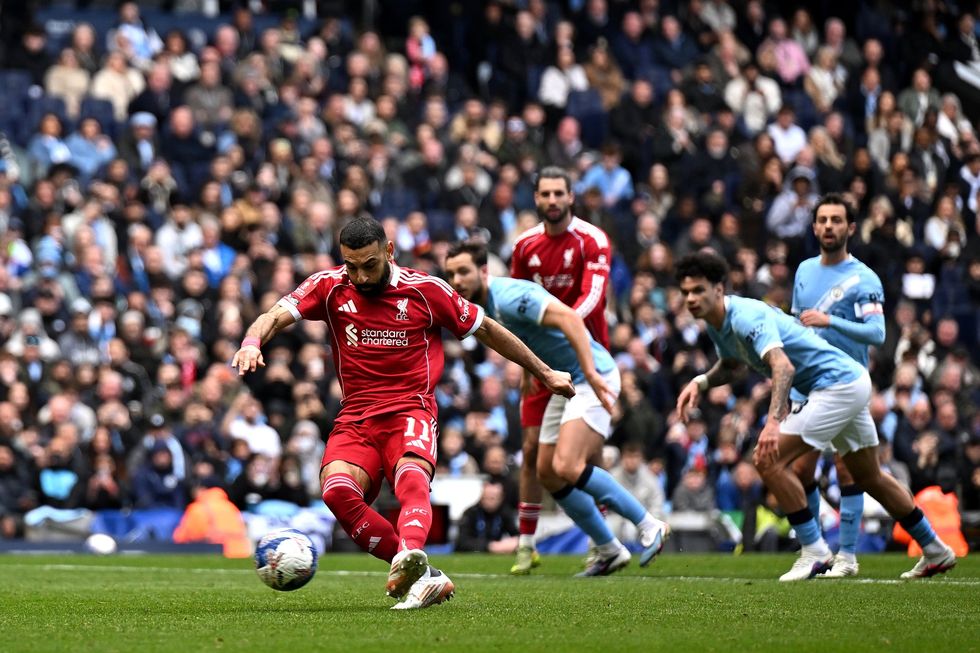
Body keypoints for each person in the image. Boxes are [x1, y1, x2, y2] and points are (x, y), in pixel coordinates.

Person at [232, 217, 574, 610]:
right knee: (336, 491)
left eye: (369, 265)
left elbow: (488, 330)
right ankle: (423, 574)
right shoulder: (329, 286)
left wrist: (544, 372)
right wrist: (251, 341)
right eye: (351, 266)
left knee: (411, 478)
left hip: (410, 410)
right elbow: (273, 314)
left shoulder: (426, 291)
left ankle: (412, 554)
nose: (359, 276)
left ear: (389, 251)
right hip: (356, 417)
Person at [674, 251, 956, 581]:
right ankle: (935, 549)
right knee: (870, 477)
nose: (691, 298)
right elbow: (734, 364)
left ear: (719, 289)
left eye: (698, 290)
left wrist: (772, 424)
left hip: (835, 386)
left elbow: (783, 366)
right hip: (849, 381)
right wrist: (702, 381)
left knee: (768, 459)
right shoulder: (718, 324)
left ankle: (815, 550)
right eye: (686, 292)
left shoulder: (745, 316)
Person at [445, 241, 668, 577]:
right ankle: (608, 548)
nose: (457, 280)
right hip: (564, 382)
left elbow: (570, 319)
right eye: (450, 274)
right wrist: (529, 374)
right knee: (547, 471)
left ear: (483, 271)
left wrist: (590, 371)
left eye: (463, 271)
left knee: (567, 464)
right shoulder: (484, 308)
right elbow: (527, 340)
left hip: (594, 376)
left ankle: (649, 524)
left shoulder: (508, 296)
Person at [508, 166, 612, 575]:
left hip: (588, 356)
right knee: (532, 450)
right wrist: (524, 361)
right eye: (545, 194)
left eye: (559, 193)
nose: (552, 200)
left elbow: (594, 296)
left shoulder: (593, 240)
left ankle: (599, 539)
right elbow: (514, 306)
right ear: (536, 198)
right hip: (540, 362)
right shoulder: (524, 246)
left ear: (572, 197)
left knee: (586, 451)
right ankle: (525, 543)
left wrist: (561, 324)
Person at [789, 193, 886, 578]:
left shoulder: (865, 278)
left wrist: (830, 322)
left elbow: (877, 333)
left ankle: (847, 556)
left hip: (846, 383)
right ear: (814, 227)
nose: (829, 226)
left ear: (850, 228)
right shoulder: (803, 271)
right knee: (799, 469)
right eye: (823, 220)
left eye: (836, 220)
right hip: (806, 383)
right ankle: (817, 550)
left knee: (849, 471)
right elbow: (797, 324)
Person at [454, 481, 520, 553]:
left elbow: (517, 536)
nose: (489, 501)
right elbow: (462, 542)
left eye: (493, 498)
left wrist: (512, 543)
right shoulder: (470, 513)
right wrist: (490, 546)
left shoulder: (505, 513)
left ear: (501, 498)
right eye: (486, 497)